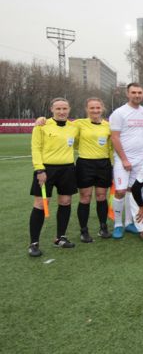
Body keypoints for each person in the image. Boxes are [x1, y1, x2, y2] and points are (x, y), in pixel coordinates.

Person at [28, 98, 78, 257]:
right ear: (52, 110)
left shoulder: (74, 127)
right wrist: (39, 170)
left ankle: (60, 238)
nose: (62, 112)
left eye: (65, 108)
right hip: (46, 170)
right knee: (41, 204)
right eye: (58, 109)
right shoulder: (42, 125)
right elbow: (35, 148)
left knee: (65, 201)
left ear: (69, 109)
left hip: (68, 169)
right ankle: (34, 243)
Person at [109, 83, 143, 238]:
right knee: (120, 191)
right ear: (128, 94)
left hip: (140, 159)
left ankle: (129, 222)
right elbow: (115, 137)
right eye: (134, 92)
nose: (137, 95)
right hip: (123, 159)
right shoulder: (119, 113)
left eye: (139, 92)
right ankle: (118, 224)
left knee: (133, 190)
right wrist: (124, 159)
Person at [73, 98, 114, 242]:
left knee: (102, 197)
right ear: (87, 109)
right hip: (85, 164)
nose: (95, 110)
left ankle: (103, 228)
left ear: (102, 108)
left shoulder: (108, 126)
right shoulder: (79, 124)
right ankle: (84, 231)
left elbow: (111, 146)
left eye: (98, 107)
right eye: (92, 108)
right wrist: (41, 120)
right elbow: (63, 128)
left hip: (103, 164)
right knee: (85, 197)